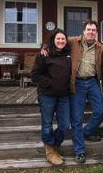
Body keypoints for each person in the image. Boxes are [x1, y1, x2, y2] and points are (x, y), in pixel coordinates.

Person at [31, 28, 71, 166]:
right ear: (53, 40)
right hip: (47, 95)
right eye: (58, 39)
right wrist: (51, 83)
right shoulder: (44, 54)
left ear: (66, 41)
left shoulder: (68, 53)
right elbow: (35, 75)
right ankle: (49, 152)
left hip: (64, 96)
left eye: (63, 39)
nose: (61, 41)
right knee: (47, 124)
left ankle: (54, 146)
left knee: (65, 124)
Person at [68, 20, 103, 164]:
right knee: (77, 118)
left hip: (93, 81)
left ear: (96, 32)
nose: (91, 32)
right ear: (83, 31)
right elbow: (55, 42)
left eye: (93, 30)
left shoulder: (100, 47)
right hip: (77, 83)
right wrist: (45, 46)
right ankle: (79, 151)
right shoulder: (72, 42)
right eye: (88, 29)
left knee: (100, 110)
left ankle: (87, 132)